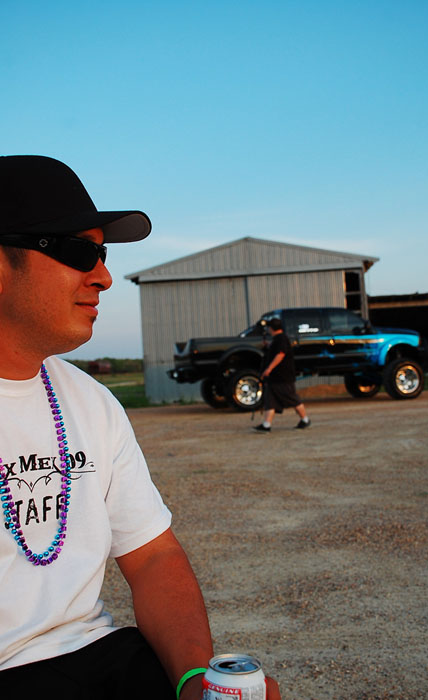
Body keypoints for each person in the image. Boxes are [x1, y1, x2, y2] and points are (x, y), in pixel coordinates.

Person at [0, 155, 280, 700]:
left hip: (96, 656)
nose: (103, 276)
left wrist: (196, 681)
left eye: (102, 254)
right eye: (78, 251)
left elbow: (153, 556)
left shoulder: (91, 402)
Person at [254, 317, 310, 433]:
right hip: (274, 378)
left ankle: (305, 419)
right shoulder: (277, 340)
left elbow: (280, 354)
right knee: (270, 400)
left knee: (291, 398)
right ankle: (266, 425)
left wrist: (269, 369)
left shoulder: (281, 339)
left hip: (283, 376)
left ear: (271, 328)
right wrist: (269, 346)